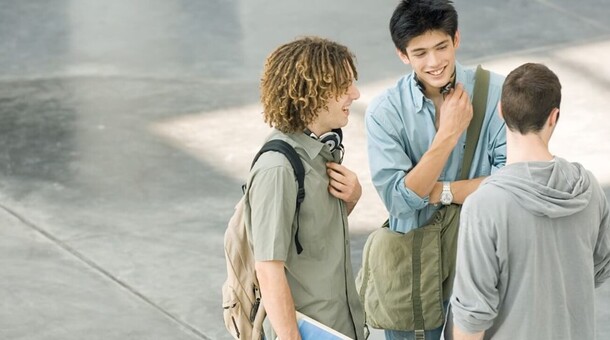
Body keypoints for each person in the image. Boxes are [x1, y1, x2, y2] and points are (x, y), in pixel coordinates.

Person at [364, 0, 506, 338]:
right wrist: (449, 134)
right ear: (403, 55)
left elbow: (512, 185)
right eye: (420, 53)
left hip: (480, 254)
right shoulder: (385, 111)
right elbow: (398, 201)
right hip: (412, 260)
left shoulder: (498, 93)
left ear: (456, 39)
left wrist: (440, 191)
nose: (434, 62)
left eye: (441, 47)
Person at [449, 62, 610, 339]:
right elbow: (598, 268)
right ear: (554, 116)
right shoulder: (589, 189)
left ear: (501, 112)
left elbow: (472, 318)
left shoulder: (485, 204)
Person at [246, 36, 365, 340]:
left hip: (341, 326)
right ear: (313, 93)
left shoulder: (322, 152)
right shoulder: (277, 169)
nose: (355, 94)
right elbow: (268, 269)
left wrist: (351, 199)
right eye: (344, 86)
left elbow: (312, 238)